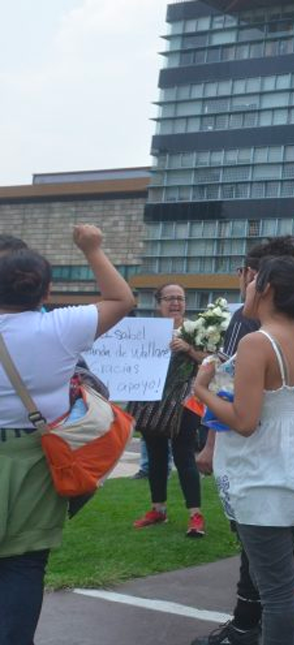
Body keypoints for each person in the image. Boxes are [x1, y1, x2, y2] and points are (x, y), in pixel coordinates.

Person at [192, 220, 294, 645]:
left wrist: (201, 388)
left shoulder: (257, 343)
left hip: (263, 468)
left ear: (267, 290)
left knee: (275, 591)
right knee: (280, 582)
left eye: (252, 281)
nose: (245, 287)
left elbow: (244, 421)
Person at [0, 225, 136, 644]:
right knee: (24, 564)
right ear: (46, 292)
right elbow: (122, 299)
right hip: (36, 457)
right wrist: (91, 249)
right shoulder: (61, 327)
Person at [127, 283, 207, 537]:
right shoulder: (146, 332)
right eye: (170, 298)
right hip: (150, 404)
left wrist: (189, 349)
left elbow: (214, 361)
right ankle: (157, 509)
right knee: (156, 456)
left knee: (185, 457)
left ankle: (195, 515)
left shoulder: (198, 330)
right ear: (158, 302)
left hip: (185, 405)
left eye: (180, 298)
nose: (175, 303)